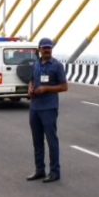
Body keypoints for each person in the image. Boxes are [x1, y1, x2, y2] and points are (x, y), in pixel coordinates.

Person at [26, 38, 68, 184]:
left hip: (49, 108)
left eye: (49, 48)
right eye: (44, 48)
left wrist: (46, 89)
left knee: (51, 141)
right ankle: (39, 170)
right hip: (35, 108)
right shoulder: (36, 64)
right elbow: (31, 80)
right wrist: (30, 88)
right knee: (37, 141)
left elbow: (64, 87)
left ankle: (55, 172)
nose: (47, 50)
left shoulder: (57, 66)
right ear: (39, 49)